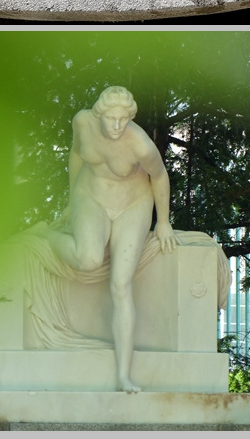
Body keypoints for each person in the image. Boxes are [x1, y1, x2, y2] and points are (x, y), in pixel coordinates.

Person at [40, 86, 177, 392]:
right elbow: (77, 156)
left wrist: (164, 222)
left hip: (133, 203)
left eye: (123, 119)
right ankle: (47, 237)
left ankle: (123, 375)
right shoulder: (83, 123)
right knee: (88, 259)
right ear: (99, 114)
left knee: (120, 284)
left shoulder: (139, 143)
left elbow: (160, 175)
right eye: (112, 118)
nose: (117, 126)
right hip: (92, 196)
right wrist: (72, 201)